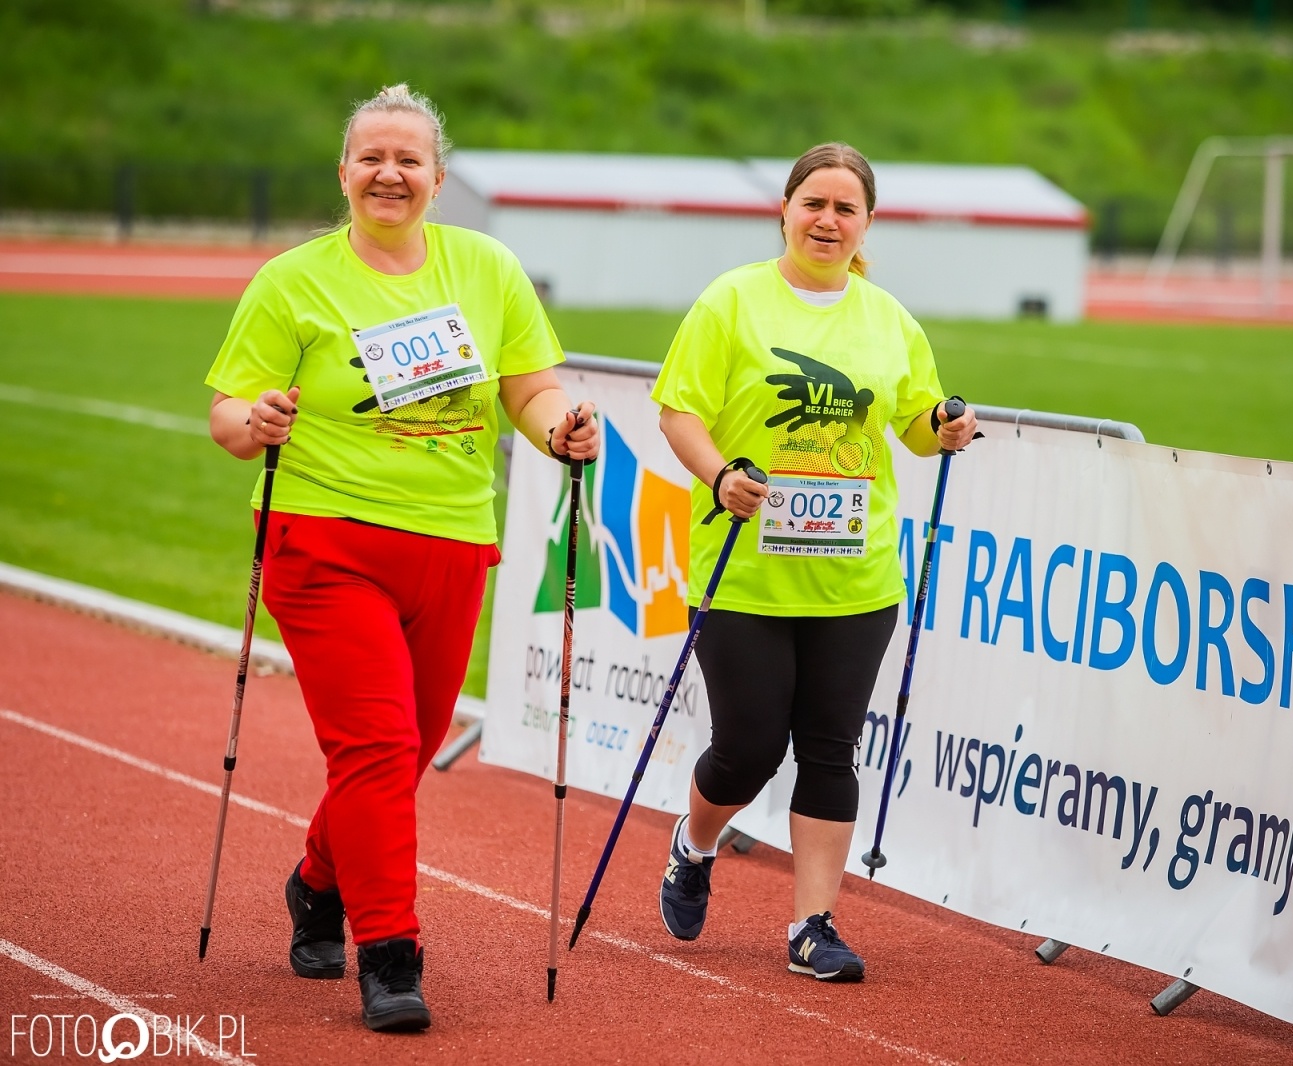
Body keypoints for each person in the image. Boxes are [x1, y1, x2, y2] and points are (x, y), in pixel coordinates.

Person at [204, 84, 597, 1032]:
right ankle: (389, 952)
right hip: (325, 540)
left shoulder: (487, 267)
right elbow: (227, 412)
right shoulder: (293, 280)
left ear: (438, 178)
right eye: (372, 158)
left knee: (404, 754)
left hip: (454, 543)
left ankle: (316, 883)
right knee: (375, 747)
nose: (390, 173)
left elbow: (530, 388)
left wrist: (562, 429)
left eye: (408, 160)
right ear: (344, 174)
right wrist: (254, 423)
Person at [649, 142, 978, 981]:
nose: (828, 221)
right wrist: (720, 476)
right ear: (786, 210)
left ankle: (812, 926)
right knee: (749, 749)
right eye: (815, 204)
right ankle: (695, 842)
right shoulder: (731, 302)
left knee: (831, 750)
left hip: (855, 576)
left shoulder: (887, 318)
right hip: (747, 572)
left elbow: (910, 423)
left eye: (846, 209)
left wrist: (941, 427)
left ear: (866, 225)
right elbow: (679, 412)